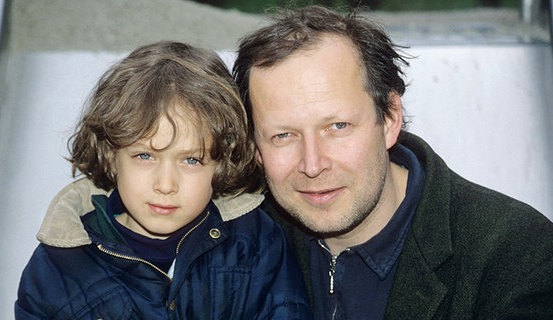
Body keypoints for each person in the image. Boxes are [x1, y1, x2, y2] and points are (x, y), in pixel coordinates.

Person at [231, 5, 553, 320]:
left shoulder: (517, 257)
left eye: (338, 127)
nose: (312, 165)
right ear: (256, 148)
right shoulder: (231, 246)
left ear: (389, 119)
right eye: (283, 136)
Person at [15, 41, 311, 319]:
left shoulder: (253, 242)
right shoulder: (58, 270)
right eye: (145, 156)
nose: (166, 185)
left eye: (191, 160)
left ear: (222, 166)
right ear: (110, 156)